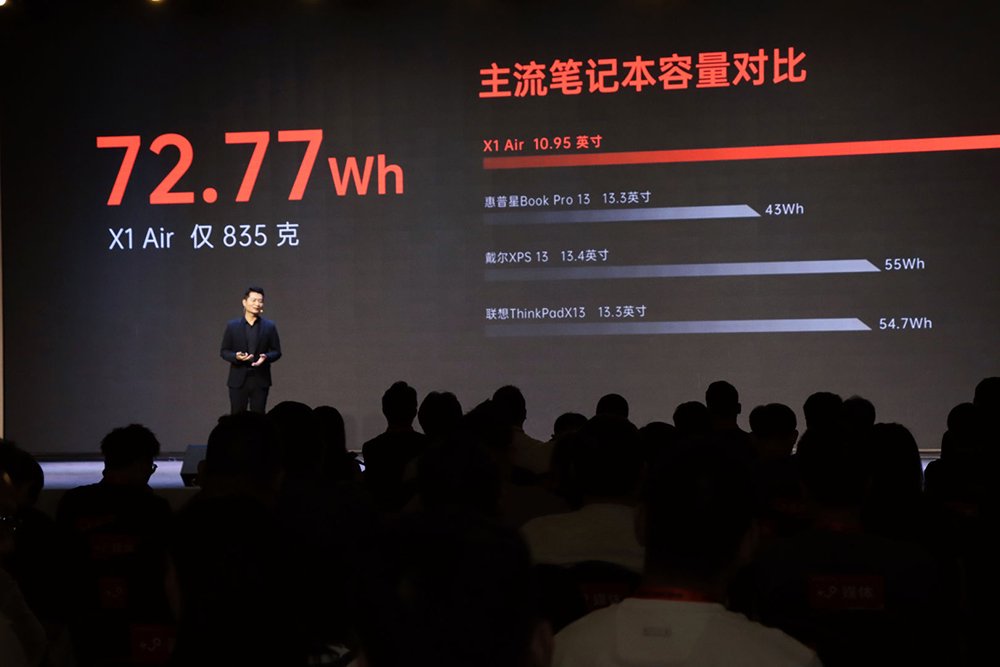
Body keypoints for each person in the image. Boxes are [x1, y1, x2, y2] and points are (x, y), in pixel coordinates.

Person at [220, 286, 282, 414]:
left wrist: (266, 357)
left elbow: (277, 351)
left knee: (259, 418)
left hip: (260, 379)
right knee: (237, 417)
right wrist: (236, 356)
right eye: (254, 300)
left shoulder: (269, 326)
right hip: (238, 380)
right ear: (244, 302)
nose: (257, 304)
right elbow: (224, 351)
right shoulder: (233, 326)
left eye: (260, 301)